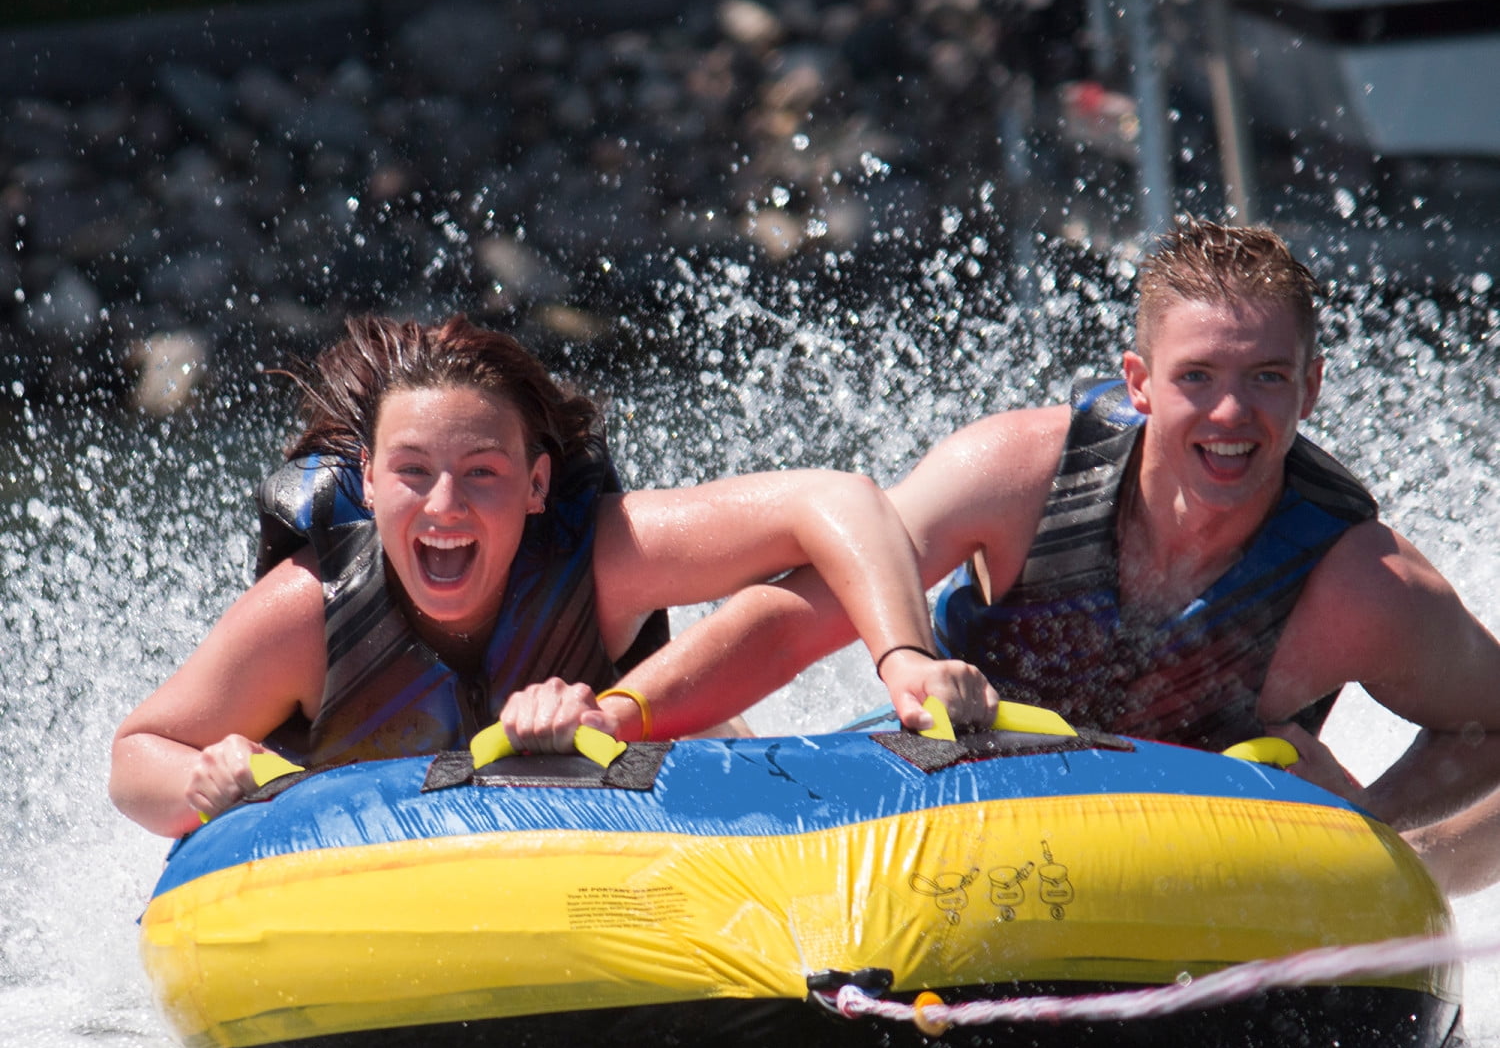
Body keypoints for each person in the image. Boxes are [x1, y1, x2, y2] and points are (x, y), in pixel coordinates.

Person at [613, 218, 1500, 837]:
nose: (1231, 414)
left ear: (1310, 388)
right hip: (948, 806)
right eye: (1197, 377)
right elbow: (796, 620)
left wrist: (1375, 828)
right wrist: (622, 716)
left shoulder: (1362, 586)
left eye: (1267, 377)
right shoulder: (1015, 476)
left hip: (1198, 862)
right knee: (717, 751)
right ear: (1139, 382)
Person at [110, 315, 994, 837]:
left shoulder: (599, 559)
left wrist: (906, 660)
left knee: (709, 718)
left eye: (483, 472)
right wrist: (205, 779)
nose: (445, 505)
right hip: (375, 871)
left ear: (537, 485)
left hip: (622, 822)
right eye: (412, 471)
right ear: (369, 481)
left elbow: (835, 499)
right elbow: (136, 753)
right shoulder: (312, 614)